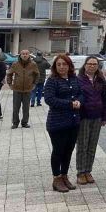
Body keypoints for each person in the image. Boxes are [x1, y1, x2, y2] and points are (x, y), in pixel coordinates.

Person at [44, 55, 82, 192]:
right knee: (58, 151)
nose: (61, 67)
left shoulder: (74, 79)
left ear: (69, 65)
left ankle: (65, 175)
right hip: (57, 122)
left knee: (68, 151)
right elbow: (49, 99)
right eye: (59, 64)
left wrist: (78, 101)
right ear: (55, 66)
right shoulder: (52, 81)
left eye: (64, 64)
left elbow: (80, 94)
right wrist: (70, 104)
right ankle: (57, 178)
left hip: (73, 121)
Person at [75, 56, 106, 185]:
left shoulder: (100, 80)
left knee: (92, 145)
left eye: (95, 64)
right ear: (85, 65)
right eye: (89, 64)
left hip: (97, 116)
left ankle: (88, 170)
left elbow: (105, 99)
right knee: (82, 145)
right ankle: (80, 172)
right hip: (84, 116)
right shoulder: (79, 80)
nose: (92, 66)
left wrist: (105, 116)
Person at [6, 49, 38, 129]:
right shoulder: (15, 64)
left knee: (26, 107)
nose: (24, 55)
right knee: (16, 107)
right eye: (23, 54)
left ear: (29, 55)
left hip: (28, 89)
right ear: (20, 55)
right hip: (17, 89)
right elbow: (9, 74)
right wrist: (10, 84)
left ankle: (24, 122)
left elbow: (37, 74)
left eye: (26, 54)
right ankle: (15, 123)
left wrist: (34, 84)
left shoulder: (33, 64)